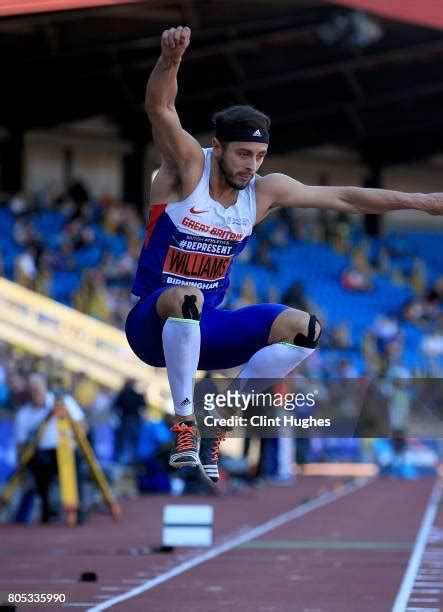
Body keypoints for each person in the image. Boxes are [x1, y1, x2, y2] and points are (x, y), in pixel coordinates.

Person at [125, 26, 443, 484]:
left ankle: (221, 421)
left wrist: (422, 201)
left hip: (205, 331)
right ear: (218, 147)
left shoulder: (265, 192)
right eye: (241, 154)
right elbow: (161, 108)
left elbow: (348, 199)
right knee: (187, 295)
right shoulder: (187, 170)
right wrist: (170, 60)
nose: (250, 165)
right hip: (152, 325)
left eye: (258, 155)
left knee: (305, 329)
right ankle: (184, 425)